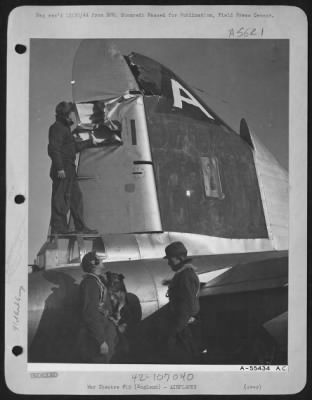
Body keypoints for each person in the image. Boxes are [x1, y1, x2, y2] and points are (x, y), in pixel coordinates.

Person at [48, 101, 98, 234]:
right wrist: (59, 168)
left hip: (69, 168)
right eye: (72, 113)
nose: (74, 116)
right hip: (63, 168)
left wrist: (90, 143)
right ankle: (59, 228)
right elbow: (54, 149)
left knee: (76, 197)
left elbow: (72, 149)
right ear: (66, 114)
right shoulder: (57, 128)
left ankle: (80, 227)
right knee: (61, 198)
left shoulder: (65, 129)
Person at [162, 241, 201, 363]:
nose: (168, 263)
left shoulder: (185, 276)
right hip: (183, 325)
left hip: (183, 327)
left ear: (179, 258)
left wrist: (175, 331)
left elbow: (187, 306)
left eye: (170, 259)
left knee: (185, 359)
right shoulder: (183, 274)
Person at [77, 252, 118, 363]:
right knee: (100, 363)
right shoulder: (90, 283)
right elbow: (90, 313)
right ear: (94, 263)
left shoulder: (97, 281)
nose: (102, 262)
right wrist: (101, 341)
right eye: (100, 260)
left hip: (106, 329)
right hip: (99, 335)